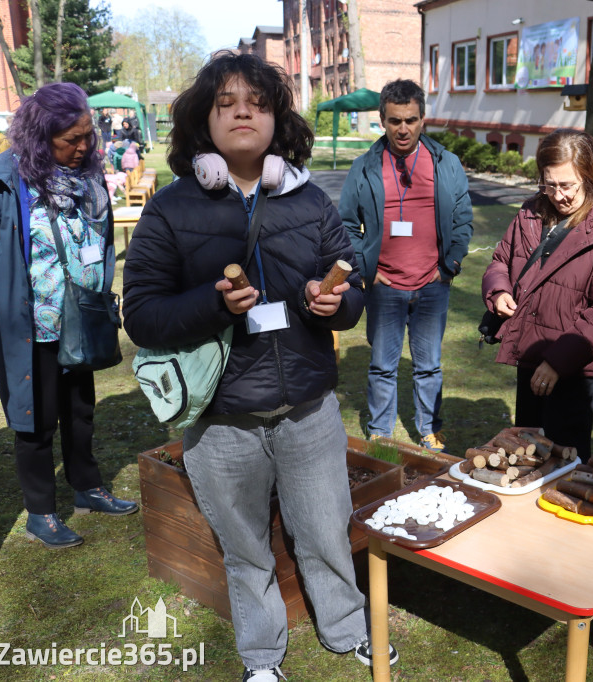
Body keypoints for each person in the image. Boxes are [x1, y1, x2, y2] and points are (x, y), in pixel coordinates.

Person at [122, 53, 393, 681]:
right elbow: (141, 315)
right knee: (245, 550)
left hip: (309, 409)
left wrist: (335, 303)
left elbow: (353, 292)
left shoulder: (309, 199)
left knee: (326, 531)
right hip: (221, 422)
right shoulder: (172, 210)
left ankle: (347, 628)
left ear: (276, 121)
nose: (243, 111)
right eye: (226, 102)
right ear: (203, 122)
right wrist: (211, 305)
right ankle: (263, 658)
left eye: (258, 102)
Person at [0, 83, 138, 550]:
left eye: (87, 136)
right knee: (35, 421)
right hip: (29, 328)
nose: (83, 147)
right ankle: (41, 512)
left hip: (80, 316)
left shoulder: (87, 177)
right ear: (39, 135)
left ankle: (88, 488)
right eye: (70, 139)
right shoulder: (2, 182)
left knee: (80, 411)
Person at [482, 129, 593, 462]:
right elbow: (501, 261)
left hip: (572, 367)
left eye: (567, 185)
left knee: (565, 462)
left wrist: (558, 362)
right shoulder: (530, 213)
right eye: (549, 184)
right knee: (525, 453)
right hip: (529, 354)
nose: (558, 195)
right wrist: (498, 291)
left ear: (590, 176)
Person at [340, 79, 473, 452]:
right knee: (382, 365)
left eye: (411, 120)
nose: (403, 129)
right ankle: (381, 430)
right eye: (395, 120)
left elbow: (463, 219)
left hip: (433, 284)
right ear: (382, 119)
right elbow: (346, 224)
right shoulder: (364, 167)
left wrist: (449, 266)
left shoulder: (445, 163)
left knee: (429, 365)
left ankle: (429, 429)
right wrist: (367, 270)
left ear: (423, 119)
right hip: (384, 286)